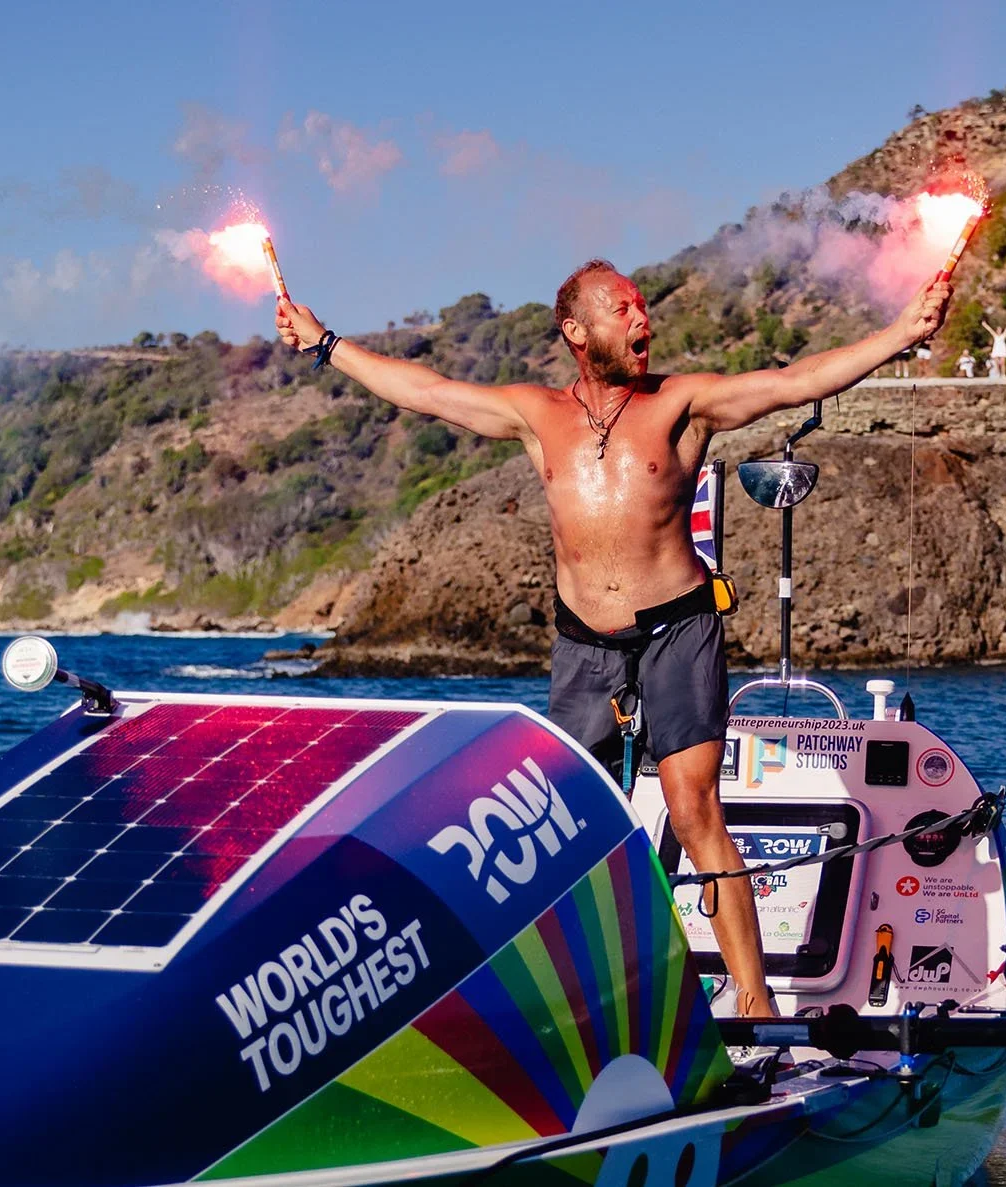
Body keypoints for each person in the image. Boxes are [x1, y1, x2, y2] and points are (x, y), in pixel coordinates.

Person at [274, 261, 951, 1019]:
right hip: (584, 644)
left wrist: (901, 333)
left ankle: (755, 1001)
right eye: (624, 308)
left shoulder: (680, 404)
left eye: (643, 306)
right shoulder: (537, 414)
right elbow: (426, 390)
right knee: (571, 819)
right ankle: (578, 1005)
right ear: (577, 331)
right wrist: (325, 342)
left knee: (694, 808)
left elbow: (795, 381)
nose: (643, 319)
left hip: (677, 630)